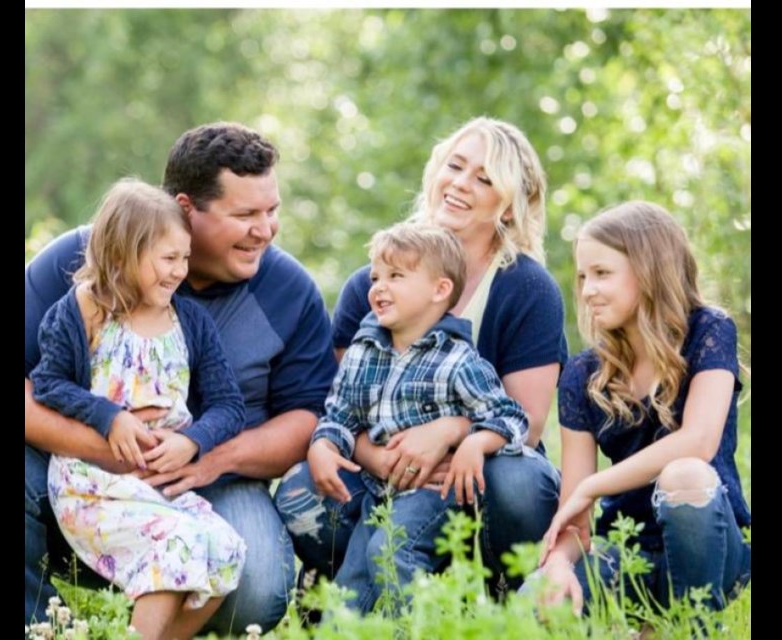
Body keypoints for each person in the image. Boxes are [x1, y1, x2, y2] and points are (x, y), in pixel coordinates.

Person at [25, 122, 339, 634]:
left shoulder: (289, 291)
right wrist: (103, 440)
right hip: (80, 469)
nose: (266, 229)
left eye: (272, 210)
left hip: (213, 480)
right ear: (187, 209)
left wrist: (207, 456)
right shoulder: (85, 265)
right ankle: (40, 626)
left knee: (257, 591)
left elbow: (307, 417)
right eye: (245, 215)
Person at [276, 117, 567, 591]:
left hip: (481, 472)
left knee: (520, 482)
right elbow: (344, 402)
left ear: (510, 208)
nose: (460, 183)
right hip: (385, 471)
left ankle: (496, 589)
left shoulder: (527, 289)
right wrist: (379, 459)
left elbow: (527, 426)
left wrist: (448, 434)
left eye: (484, 178)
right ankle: (348, 583)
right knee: (301, 488)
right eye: (455, 166)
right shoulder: (371, 286)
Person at [31, 179, 248, 640]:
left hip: (159, 484)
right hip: (93, 484)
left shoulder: (189, 321)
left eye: (185, 257)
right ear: (122, 256)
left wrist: (192, 440)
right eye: (169, 259)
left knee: (226, 548)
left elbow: (230, 406)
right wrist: (110, 417)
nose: (180, 271)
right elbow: (47, 384)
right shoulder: (83, 312)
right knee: (177, 545)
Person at [530, 201, 751, 615]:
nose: (588, 289)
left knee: (683, 472)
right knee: (535, 601)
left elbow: (698, 442)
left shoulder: (708, 331)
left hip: (712, 549)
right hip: (630, 555)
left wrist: (593, 486)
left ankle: (690, 623)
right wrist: (559, 562)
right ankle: (638, 616)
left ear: (650, 270)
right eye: (582, 276)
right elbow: (574, 516)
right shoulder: (582, 374)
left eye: (602, 273)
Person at [307, 222, 529, 612]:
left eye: (396, 276)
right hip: (378, 491)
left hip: (434, 492)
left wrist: (475, 441)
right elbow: (339, 414)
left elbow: (510, 417)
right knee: (350, 586)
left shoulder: (458, 359)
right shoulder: (364, 351)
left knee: (391, 553)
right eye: (376, 276)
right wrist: (323, 445)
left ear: (440, 290)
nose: (378, 286)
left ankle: (419, 627)